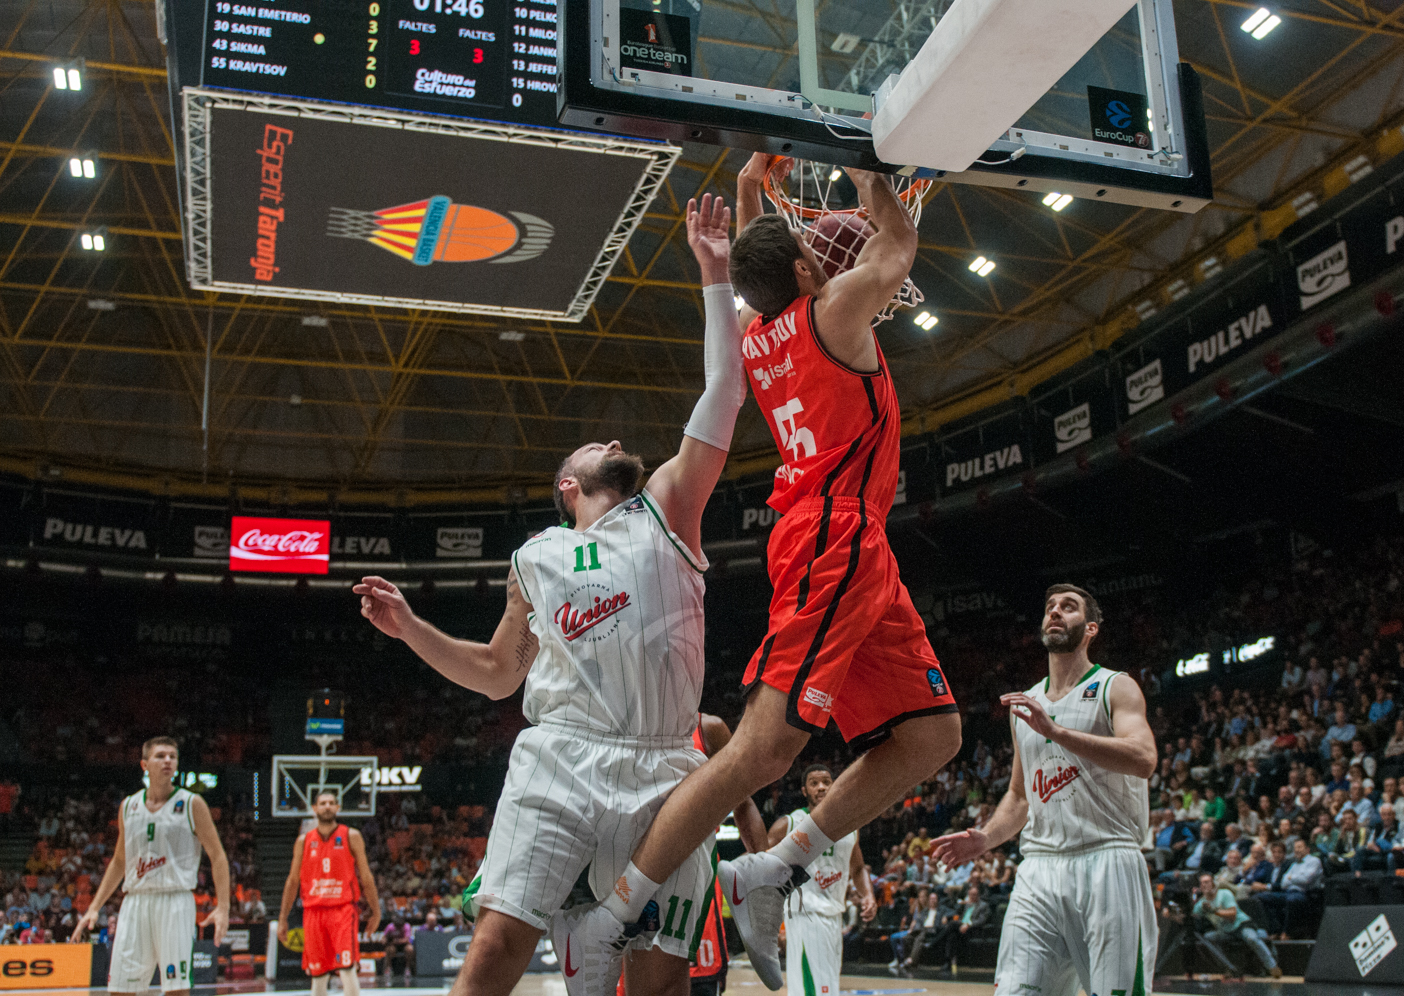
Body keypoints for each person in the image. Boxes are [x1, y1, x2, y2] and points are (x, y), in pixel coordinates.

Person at [555, 155, 961, 996]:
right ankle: (613, 913)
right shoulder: (834, 313)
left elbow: (761, 271)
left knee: (934, 736)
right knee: (762, 748)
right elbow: (897, 245)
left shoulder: (758, 328)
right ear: (809, 275)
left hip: (850, 542)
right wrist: (868, 175)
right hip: (833, 534)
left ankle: (770, 867)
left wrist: (749, 195)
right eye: (815, 253)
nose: (825, 257)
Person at [353, 194, 749, 996]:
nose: (615, 439)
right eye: (596, 444)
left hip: (667, 767)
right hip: (563, 756)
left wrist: (714, 273)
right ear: (568, 484)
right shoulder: (536, 556)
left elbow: (725, 391)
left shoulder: (670, 507)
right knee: (495, 947)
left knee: (659, 982)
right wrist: (411, 629)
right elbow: (499, 672)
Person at [932, 585, 1158, 996]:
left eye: (1068, 607)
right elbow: (1020, 796)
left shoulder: (1114, 686)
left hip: (1107, 860)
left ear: (1090, 628)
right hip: (1039, 868)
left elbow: (1143, 758)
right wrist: (987, 837)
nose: (1055, 612)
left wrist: (1057, 732)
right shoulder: (1027, 704)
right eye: (1050, 607)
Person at [71, 737, 231, 993]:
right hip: (135, 902)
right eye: (160, 756)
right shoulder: (128, 806)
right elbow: (120, 860)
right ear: (144, 764)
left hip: (175, 900)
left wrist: (223, 907)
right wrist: (94, 907)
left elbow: (218, 856)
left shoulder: (192, 803)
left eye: (172, 756)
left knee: (176, 988)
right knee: (119, 989)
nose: (168, 761)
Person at [771, 765, 874, 996]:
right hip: (805, 914)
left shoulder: (849, 825)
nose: (821, 787)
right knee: (817, 989)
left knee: (826, 985)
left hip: (834, 915)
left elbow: (858, 868)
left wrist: (868, 895)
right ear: (804, 790)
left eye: (826, 782)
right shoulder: (790, 823)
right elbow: (761, 858)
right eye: (814, 783)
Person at [277, 790, 381, 996]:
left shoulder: (351, 836)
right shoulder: (303, 841)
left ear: (338, 808)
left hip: (342, 910)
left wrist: (376, 912)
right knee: (318, 976)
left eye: (331, 803)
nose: (327, 806)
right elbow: (292, 881)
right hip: (313, 912)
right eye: (323, 803)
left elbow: (366, 877)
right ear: (314, 808)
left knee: (347, 969)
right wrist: (282, 918)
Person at [1191, 874, 1280, 979]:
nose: (1204, 885)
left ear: (1213, 884)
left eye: (1207, 882)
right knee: (1208, 938)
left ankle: (1272, 966)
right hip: (1225, 931)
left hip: (1240, 925)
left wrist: (1214, 911)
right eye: (1202, 883)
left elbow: (1232, 915)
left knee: (1251, 938)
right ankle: (1229, 968)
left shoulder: (1224, 894)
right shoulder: (1201, 904)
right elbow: (1192, 917)